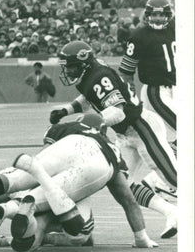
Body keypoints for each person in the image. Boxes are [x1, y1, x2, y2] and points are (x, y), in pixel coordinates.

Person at [0, 116, 162, 249]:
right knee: (80, 233)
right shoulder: (112, 148)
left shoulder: (69, 128)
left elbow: (47, 152)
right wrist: (141, 236)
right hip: (93, 170)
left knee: (15, 180)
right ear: (103, 130)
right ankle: (17, 211)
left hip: (67, 147)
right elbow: (128, 200)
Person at [48, 40, 176, 199]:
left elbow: (118, 112)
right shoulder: (89, 74)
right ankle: (170, 214)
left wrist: (96, 121)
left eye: (70, 66)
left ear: (84, 64)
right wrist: (65, 110)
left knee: (175, 179)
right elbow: (90, 97)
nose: (67, 70)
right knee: (124, 189)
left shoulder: (100, 76)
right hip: (125, 134)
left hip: (142, 128)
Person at [118, 0, 176, 151]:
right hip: (156, 91)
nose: (158, 18)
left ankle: (173, 154)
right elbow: (126, 72)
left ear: (168, 15)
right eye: (154, 14)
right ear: (148, 15)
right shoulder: (139, 36)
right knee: (186, 128)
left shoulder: (176, 28)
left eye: (162, 14)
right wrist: (131, 99)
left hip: (177, 89)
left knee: (155, 144)